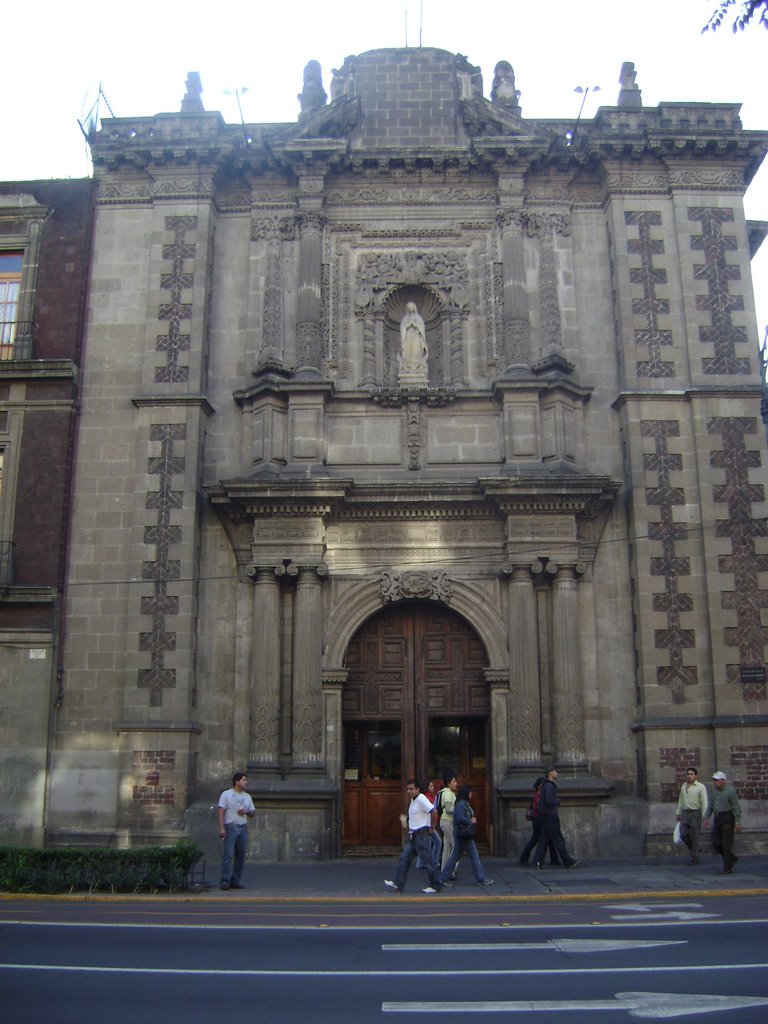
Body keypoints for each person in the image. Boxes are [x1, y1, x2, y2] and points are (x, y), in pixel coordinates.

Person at [430, 784, 494, 891]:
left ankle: (443, 877)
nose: (471, 794)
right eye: (470, 792)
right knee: (474, 856)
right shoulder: (461, 804)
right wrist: (470, 820)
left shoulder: (463, 803)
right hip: (464, 834)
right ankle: (481, 878)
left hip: (460, 834)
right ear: (467, 794)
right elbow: (459, 818)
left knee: (454, 856)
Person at [385, 780, 442, 893]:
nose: (409, 791)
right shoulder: (414, 799)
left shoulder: (421, 798)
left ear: (417, 789)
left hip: (421, 834)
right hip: (413, 835)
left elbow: (434, 811)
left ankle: (435, 885)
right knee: (404, 858)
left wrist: (432, 827)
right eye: (408, 789)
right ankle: (398, 883)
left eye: (411, 789)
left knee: (428, 861)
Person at [532, 767, 577, 869]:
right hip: (551, 816)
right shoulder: (549, 786)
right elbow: (549, 801)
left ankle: (537, 863)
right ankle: (568, 861)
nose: (557, 773)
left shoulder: (546, 786)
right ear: (550, 773)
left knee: (543, 840)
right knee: (558, 839)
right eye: (556, 771)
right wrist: (558, 801)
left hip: (545, 817)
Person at [217, 771, 255, 890]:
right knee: (228, 854)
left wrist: (246, 812)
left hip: (243, 826)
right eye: (243, 780)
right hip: (231, 826)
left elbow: (253, 812)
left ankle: (236, 879)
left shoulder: (247, 796)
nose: (246, 782)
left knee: (241, 855)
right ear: (236, 781)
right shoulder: (227, 794)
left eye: (246, 780)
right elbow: (221, 811)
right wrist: (222, 828)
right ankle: (225, 880)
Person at [704, 770, 742, 874]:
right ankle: (731, 857)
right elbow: (710, 806)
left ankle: (727, 868)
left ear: (723, 781)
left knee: (726, 843)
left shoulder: (730, 791)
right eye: (714, 780)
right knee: (716, 842)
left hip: (727, 818)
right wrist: (706, 818)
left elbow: (736, 807)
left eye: (717, 780)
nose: (715, 782)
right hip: (718, 817)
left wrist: (738, 822)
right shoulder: (714, 791)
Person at [518, 777, 561, 867]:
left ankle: (554, 858)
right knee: (537, 839)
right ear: (540, 786)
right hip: (540, 819)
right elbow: (543, 805)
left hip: (540, 818)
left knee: (549, 838)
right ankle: (524, 857)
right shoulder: (540, 795)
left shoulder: (538, 794)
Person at [675, 766, 708, 865]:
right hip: (685, 812)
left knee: (694, 835)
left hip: (695, 812)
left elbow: (704, 802)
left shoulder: (700, 787)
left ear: (696, 776)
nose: (689, 776)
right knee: (683, 834)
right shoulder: (683, 786)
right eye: (688, 774)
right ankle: (696, 849)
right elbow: (681, 800)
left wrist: (704, 816)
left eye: (691, 774)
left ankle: (694, 857)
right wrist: (678, 812)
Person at [437, 771, 459, 876]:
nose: (456, 784)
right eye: (454, 781)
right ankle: (451, 869)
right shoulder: (448, 793)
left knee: (447, 847)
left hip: (444, 821)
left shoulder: (441, 792)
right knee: (456, 846)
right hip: (448, 821)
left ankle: (444, 869)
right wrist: (459, 808)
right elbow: (449, 809)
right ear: (448, 783)